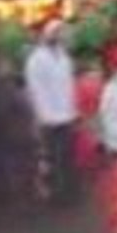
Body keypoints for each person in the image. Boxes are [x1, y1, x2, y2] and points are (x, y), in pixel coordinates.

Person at [25, 20, 78, 205]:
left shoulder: (64, 57)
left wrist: (73, 110)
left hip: (66, 114)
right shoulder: (36, 60)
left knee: (67, 156)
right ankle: (57, 194)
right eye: (59, 33)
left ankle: (69, 191)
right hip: (49, 118)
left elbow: (69, 86)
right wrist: (41, 116)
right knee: (53, 158)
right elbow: (35, 90)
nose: (62, 36)